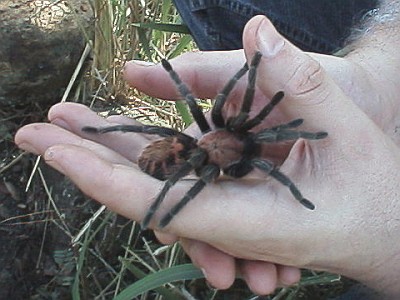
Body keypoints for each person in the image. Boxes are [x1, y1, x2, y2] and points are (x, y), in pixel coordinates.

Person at [15, 1, 400, 299]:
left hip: (194, 152)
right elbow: (209, 106)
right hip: (186, 152)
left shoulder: (242, 146)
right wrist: (381, 77)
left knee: (216, 140)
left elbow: (258, 137)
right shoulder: (219, 141)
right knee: (165, 132)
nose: (254, 135)